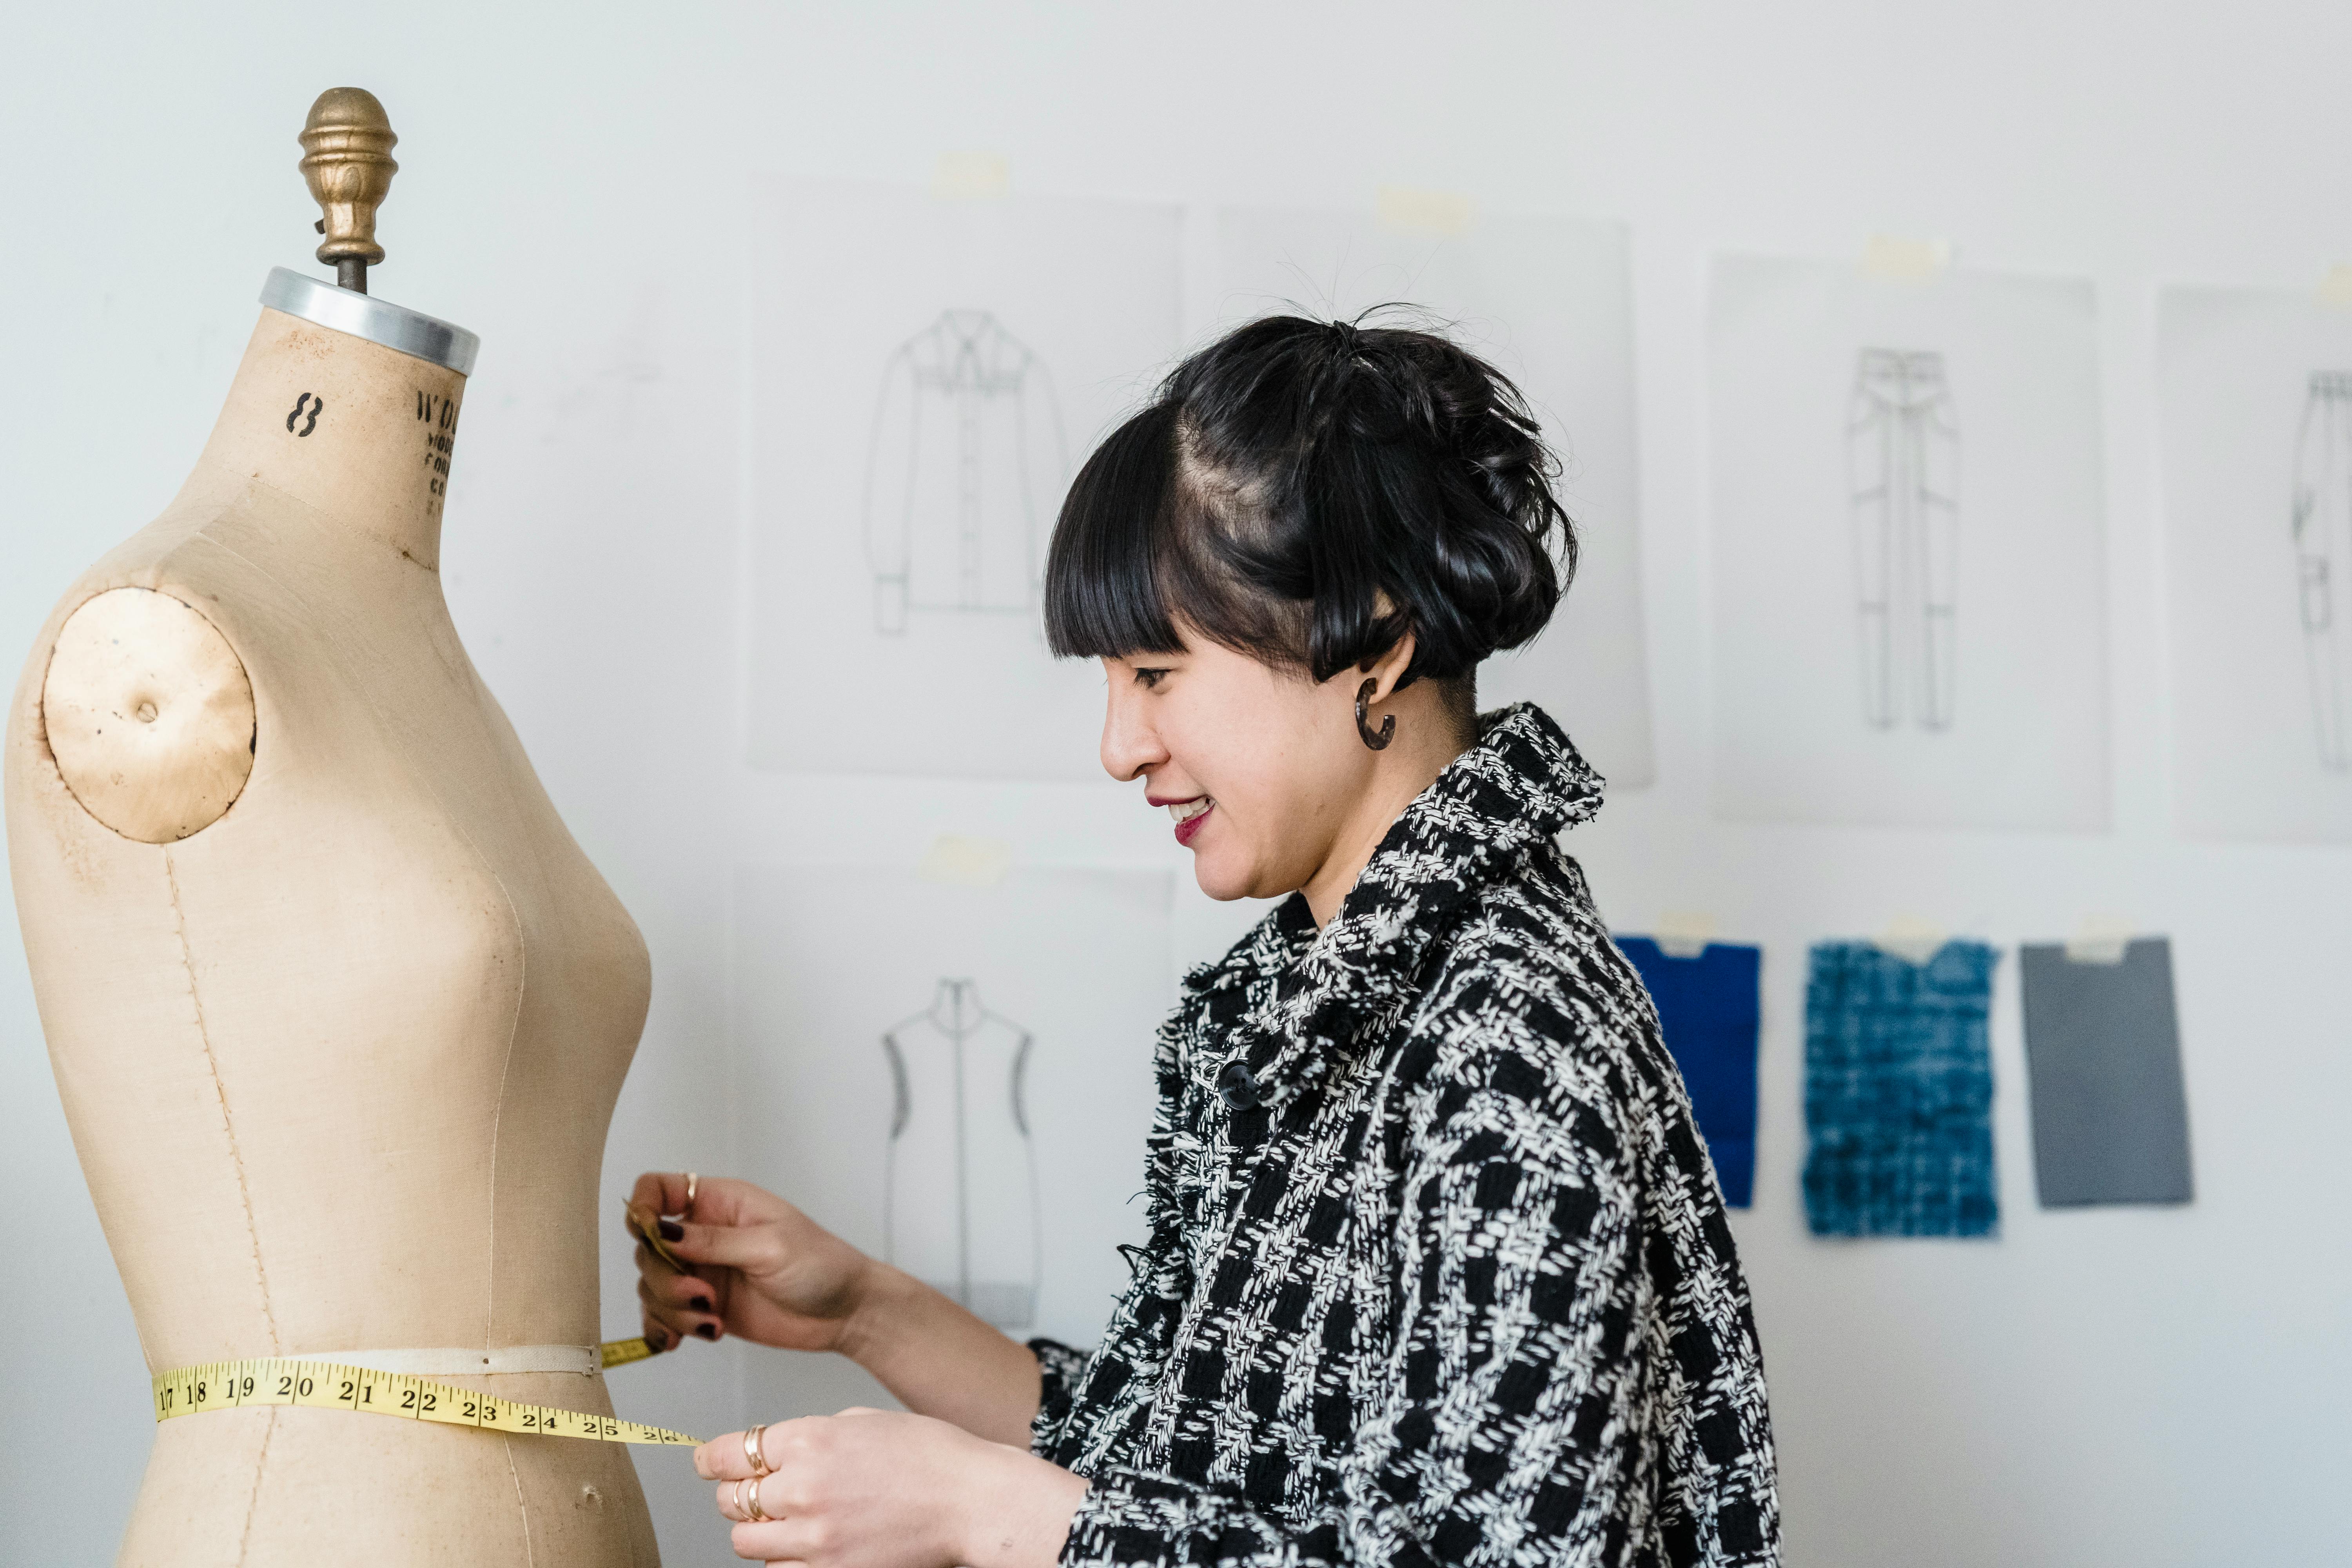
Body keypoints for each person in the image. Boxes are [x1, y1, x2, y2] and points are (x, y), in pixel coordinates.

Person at [633, 313, 1779, 1568]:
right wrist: (864, 1309)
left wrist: (986, 1516)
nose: (1119, 746)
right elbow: (1180, 1463)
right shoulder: (1341, 993)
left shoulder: (1511, 1038)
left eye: (1159, 673)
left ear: (1372, 644)